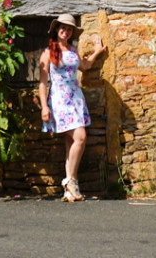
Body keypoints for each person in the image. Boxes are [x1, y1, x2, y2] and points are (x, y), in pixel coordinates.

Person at [39, 13, 106, 201]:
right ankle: (71, 180)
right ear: (56, 29)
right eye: (63, 27)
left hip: (76, 98)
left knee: (71, 142)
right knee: (80, 136)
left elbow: (84, 66)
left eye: (69, 29)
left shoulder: (72, 50)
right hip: (59, 100)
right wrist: (44, 107)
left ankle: (70, 190)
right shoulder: (47, 53)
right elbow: (43, 83)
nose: (65, 31)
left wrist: (97, 51)